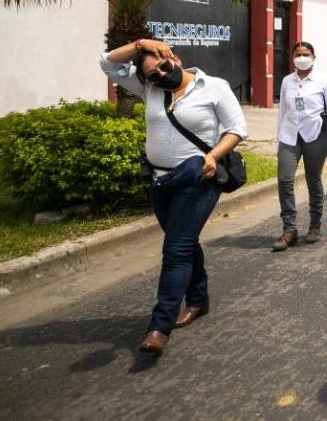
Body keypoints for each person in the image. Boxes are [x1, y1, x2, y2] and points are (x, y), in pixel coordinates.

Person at [100, 37, 248, 356]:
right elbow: (108, 63)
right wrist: (141, 44)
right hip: (160, 180)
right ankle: (198, 299)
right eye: (152, 74)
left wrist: (214, 156)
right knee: (185, 240)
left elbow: (237, 128)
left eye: (162, 67)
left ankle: (159, 326)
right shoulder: (150, 89)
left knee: (176, 248)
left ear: (174, 58)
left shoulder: (214, 86)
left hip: (198, 178)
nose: (160, 76)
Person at [273, 42, 327, 250]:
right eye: (298, 54)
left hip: (316, 136)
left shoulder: (324, 81)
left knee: (313, 180)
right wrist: (278, 140)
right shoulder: (287, 81)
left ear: (313, 57)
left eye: (306, 54)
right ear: (292, 57)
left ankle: (314, 225)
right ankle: (289, 229)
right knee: (284, 180)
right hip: (289, 136)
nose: (302, 57)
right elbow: (282, 112)